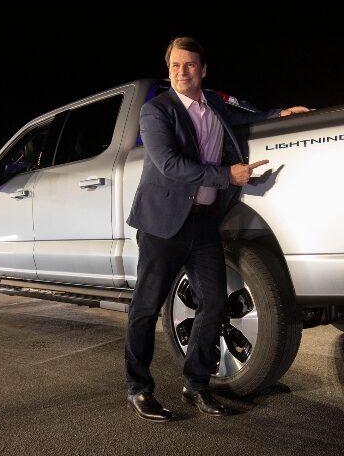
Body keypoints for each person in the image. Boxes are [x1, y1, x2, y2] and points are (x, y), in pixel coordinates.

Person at [124, 36, 309, 422]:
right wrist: (228, 174)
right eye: (175, 66)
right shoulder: (156, 111)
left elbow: (247, 117)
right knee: (146, 307)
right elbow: (170, 164)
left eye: (189, 65)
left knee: (214, 302)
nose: (181, 72)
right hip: (163, 224)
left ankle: (196, 385)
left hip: (204, 223)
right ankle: (139, 389)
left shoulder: (216, 107)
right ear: (169, 69)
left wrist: (280, 115)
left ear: (203, 70)